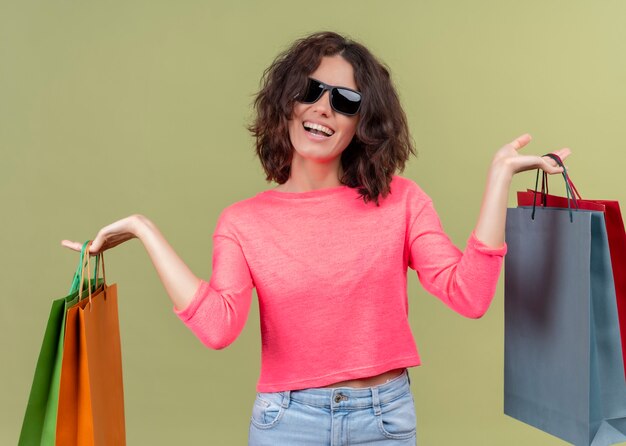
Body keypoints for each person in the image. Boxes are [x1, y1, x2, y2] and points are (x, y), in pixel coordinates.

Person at [62, 31, 571, 445]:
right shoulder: (244, 222)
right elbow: (218, 328)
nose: (323, 108)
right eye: (311, 91)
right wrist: (144, 229)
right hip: (287, 423)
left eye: (346, 101)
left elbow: (470, 295)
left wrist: (499, 177)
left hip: (385, 420)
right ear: (286, 103)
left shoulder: (402, 201)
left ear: (362, 125)